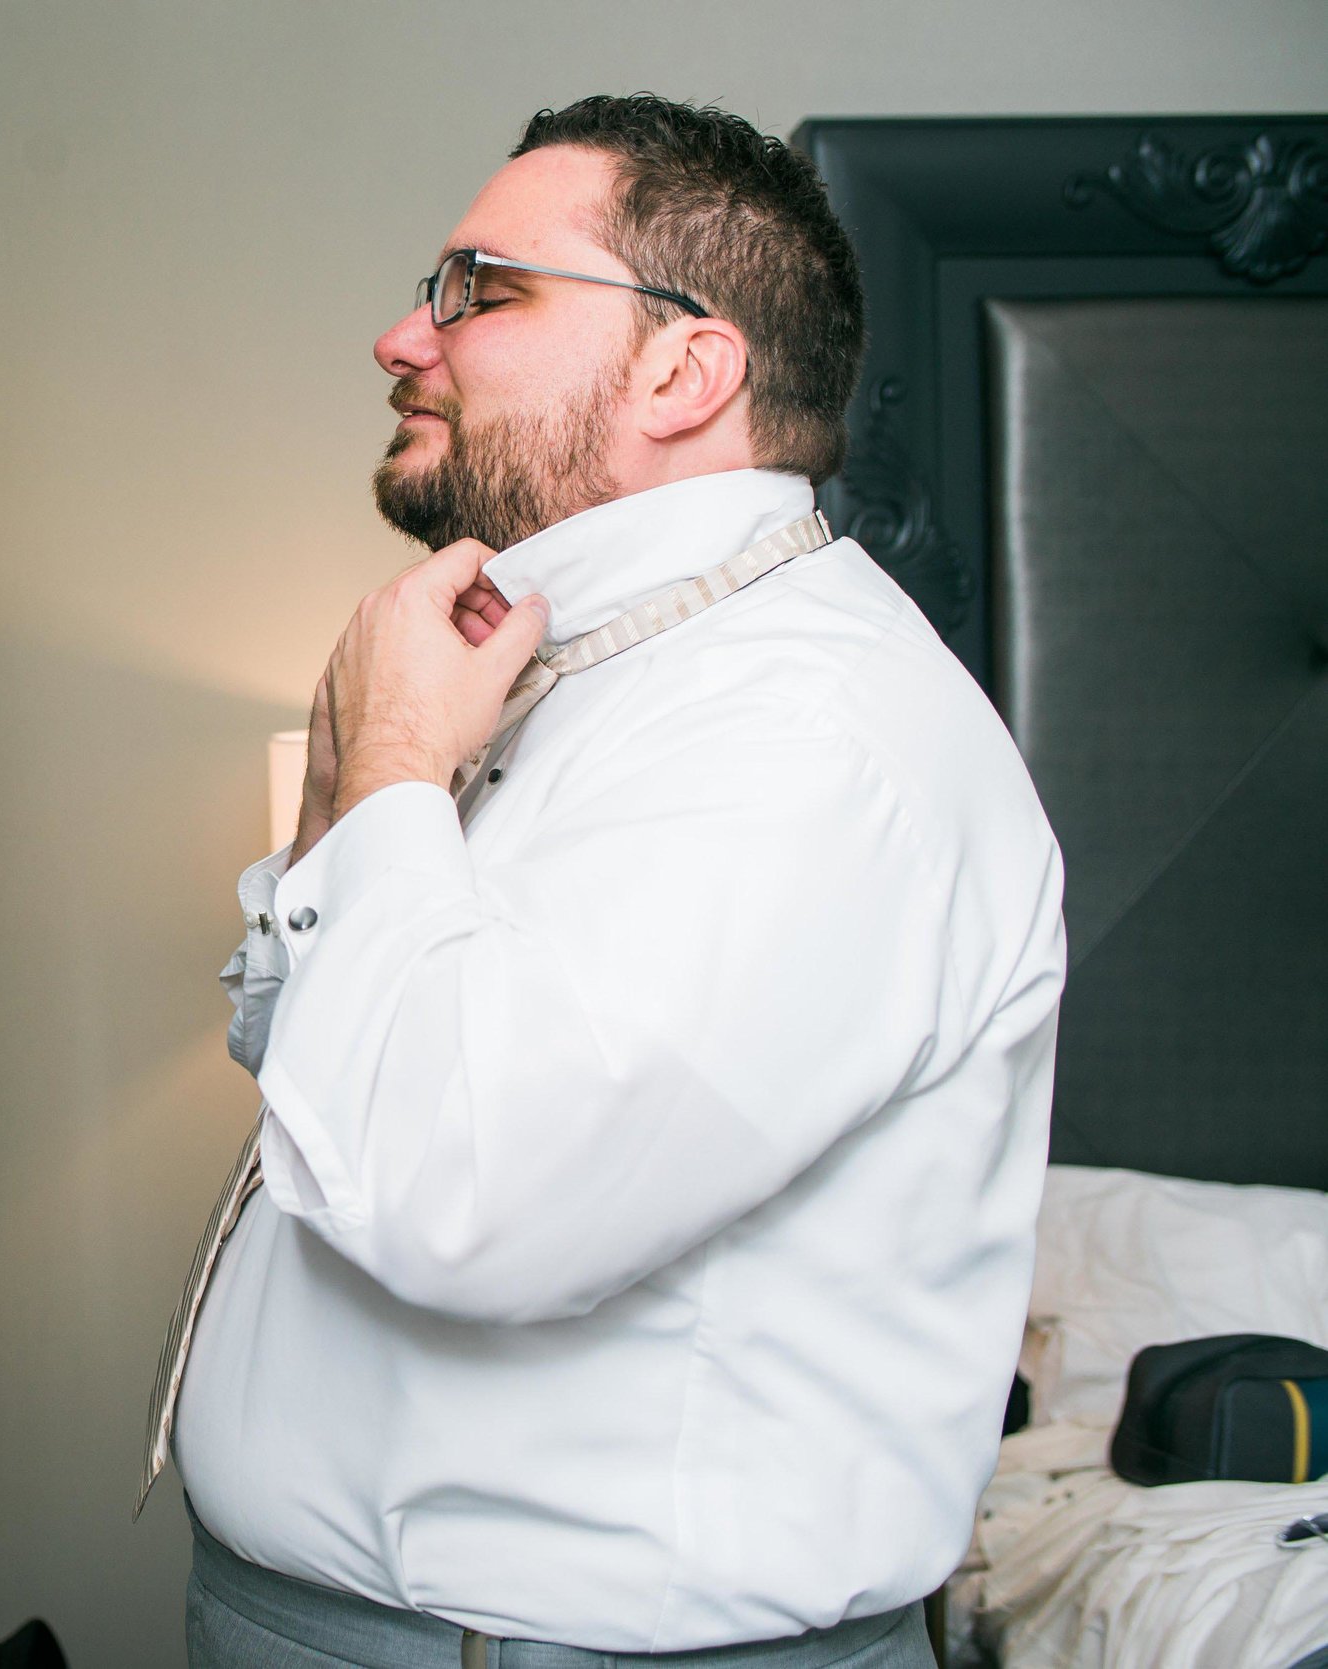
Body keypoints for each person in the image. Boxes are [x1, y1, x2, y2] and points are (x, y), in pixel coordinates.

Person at [140, 95, 1067, 1668]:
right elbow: (324, 1080)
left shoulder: (811, 737)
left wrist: (391, 788)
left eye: (478, 290)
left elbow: (458, 1195)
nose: (399, 339)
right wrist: (341, 814)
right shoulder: (564, 664)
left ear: (683, 367)